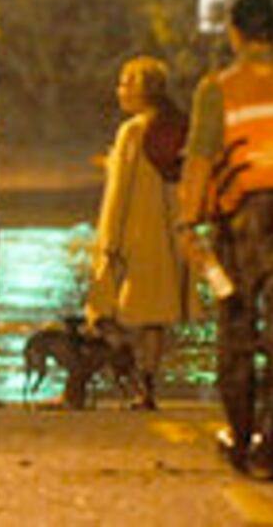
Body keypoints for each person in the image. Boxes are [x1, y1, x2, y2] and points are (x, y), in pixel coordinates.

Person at [177, 0, 273, 482]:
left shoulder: (218, 88)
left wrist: (187, 222)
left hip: (239, 218)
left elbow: (200, 160)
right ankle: (271, 444)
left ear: (236, 33)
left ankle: (240, 438)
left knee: (237, 331)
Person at [86, 57, 197, 411]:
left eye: (124, 83)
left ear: (142, 89)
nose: (119, 89)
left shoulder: (133, 131)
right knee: (155, 318)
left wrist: (108, 243)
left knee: (103, 311)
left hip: (135, 235)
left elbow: (120, 193)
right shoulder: (179, 127)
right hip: (170, 237)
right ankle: (146, 388)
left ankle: (120, 370)